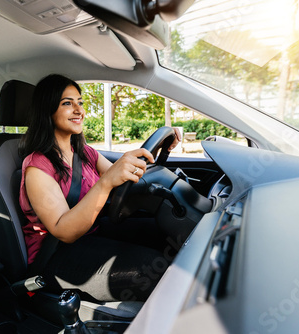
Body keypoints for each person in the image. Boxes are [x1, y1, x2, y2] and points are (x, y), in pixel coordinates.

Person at [19, 74, 181, 302]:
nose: (79, 110)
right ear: (47, 110)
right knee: (158, 272)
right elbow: (64, 231)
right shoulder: (37, 167)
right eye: (67, 103)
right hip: (55, 254)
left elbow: (122, 180)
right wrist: (105, 183)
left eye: (80, 102)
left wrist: (161, 150)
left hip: (92, 231)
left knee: (168, 235)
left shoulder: (84, 152)